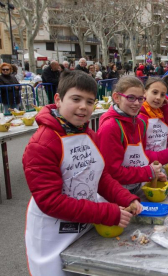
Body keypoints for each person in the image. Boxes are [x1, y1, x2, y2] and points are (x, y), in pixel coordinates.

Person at [23, 70, 143, 276]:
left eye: (89, 102)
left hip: (85, 222)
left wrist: (126, 198)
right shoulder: (41, 144)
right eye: (76, 99)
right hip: (54, 232)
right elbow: (50, 201)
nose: (83, 107)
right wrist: (108, 212)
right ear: (58, 100)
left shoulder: (89, 134)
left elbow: (101, 176)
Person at [97, 76, 168, 193]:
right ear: (117, 97)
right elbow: (111, 173)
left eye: (140, 98)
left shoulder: (140, 124)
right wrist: (148, 172)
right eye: (131, 98)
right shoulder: (110, 127)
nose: (137, 103)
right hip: (116, 194)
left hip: (136, 187)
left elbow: (139, 160)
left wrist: (152, 174)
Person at [138, 78, 168, 152]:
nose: (158, 97)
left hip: (159, 160)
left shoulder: (160, 113)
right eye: (155, 92)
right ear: (145, 92)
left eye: (162, 95)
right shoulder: (139, 115)